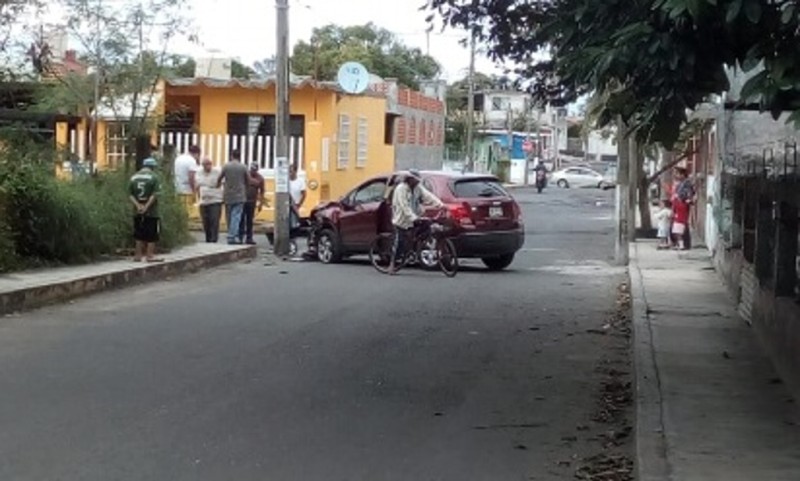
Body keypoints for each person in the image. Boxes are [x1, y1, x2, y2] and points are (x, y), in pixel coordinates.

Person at [388, 171, 444, 274]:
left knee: (427, 226)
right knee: (399, 243)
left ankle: (415, 248)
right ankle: (392, 264)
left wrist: (441, 205)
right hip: (402, 219)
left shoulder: (418, 188)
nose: (417, 182)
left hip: (415, 215)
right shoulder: (401, 189)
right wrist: (413, 217)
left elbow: (429, 196)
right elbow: (404, 206)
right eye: (415, 180)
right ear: (410, 179)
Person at [128, 157, 163, 262]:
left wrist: (138, 205)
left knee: (139, 232)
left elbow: (130, 194)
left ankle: (138, 255)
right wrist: (146, 206)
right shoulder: (154, 177)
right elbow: (154, 195)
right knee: (152, 233)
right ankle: (149, 255)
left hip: (137, 210)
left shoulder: (133, 177)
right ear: (153, 167)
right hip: (151, 211)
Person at [216, 149, 249, 244]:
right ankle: (232, 236)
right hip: (240, 195)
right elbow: (248, 180)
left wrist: (218, 185)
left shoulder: (226, 166)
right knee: (236, 216)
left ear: (231, 156)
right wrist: (245, 188)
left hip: (228, 195)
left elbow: (219, 178)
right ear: (239, 156)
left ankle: (231, 234)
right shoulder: (243, 167)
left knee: (229, 216)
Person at [195, 157, 223, 243]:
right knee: (205, 221)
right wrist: (210, 185)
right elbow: (198, 184)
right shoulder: (199, 172)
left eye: (209, 164)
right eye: (205, 164)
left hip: (216, 200)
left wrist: (205, 184)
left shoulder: (217, 172)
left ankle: (214, 239)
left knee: (214, 220)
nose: (208, 166)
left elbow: (217, 184)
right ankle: (208, 238)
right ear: (202, 165)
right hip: (203, 200)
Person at [239, 163, 265, 245]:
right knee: (241, 220)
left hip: (252, 202)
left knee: (250, 221)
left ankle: (249, 238)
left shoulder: (260, 178)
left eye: (254, 170)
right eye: (252, 169)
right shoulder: (245, 176)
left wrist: (261, 203)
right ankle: (240, 237)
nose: (253, 171)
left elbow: (262, 191)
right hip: (243, 200)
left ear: (257, 170)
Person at [671, 167, 695, 250]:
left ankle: (684, 243)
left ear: (682, 174)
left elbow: (689, 195)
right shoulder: (681, 183)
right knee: (679, 224)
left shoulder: (687, 183)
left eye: (677, 173)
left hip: (682, 205)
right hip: (678, 205)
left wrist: (679, 197)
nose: (676, 175)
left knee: (682, 224)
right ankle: (679, 243)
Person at [289, 164, 307, 229]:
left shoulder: (300, 181)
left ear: (295, 171)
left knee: (294, 223)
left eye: (291, 171)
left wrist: (299, 204)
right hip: (287, 204)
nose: (289, 173)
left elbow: (304, 194)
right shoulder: (286, 181)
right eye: (289, 171)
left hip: (296, 204)